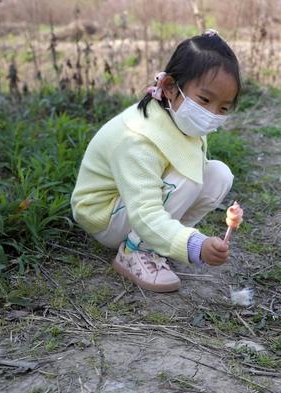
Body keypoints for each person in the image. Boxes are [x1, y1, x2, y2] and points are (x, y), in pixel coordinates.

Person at [71, 29, 240, 293]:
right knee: (188, 177)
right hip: (104, 216)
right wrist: (195, 245)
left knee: (218, 174)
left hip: (132, 207)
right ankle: (135, 250)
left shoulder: (179, 121)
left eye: (223, 108)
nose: (211, 115)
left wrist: (186, 240)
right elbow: (145, 211)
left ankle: (162, 240)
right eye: (205, 100)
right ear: (170, 87)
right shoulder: (138, 138)